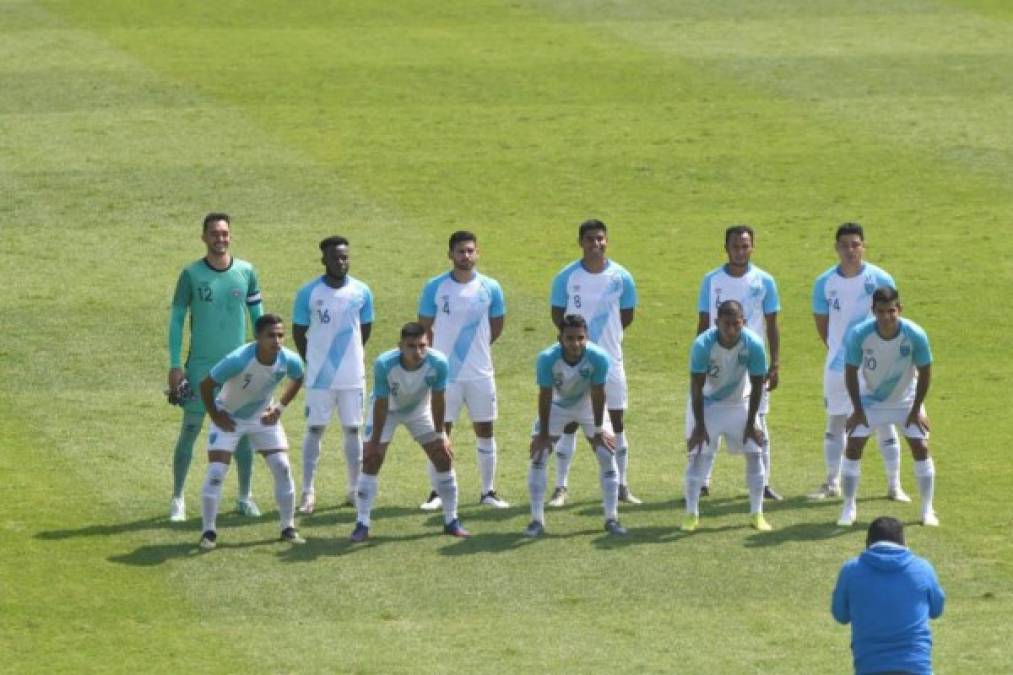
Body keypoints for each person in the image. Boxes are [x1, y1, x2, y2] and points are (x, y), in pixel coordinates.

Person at [167, 212, 263, 522]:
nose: (220, 239)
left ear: (230, 236)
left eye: (224, 233)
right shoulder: (191, 275)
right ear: (204, 237)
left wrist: (261, 360)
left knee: (244, 434)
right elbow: (177, 321)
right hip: (201, 368)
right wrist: (174, 365)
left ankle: (244, 497)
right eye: (213, 234)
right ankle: (178, 499)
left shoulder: (246, 272)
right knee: (191, 430)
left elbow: (258, 319)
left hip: (237, 368)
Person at [811, 222, 908, 502]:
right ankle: (832, 482)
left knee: (885, 421)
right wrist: (840, 351)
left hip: (877, 364)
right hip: (839, 364)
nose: (850, 250)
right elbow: (823, 325)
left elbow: (892, 319)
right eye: (844, 245)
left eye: (855, 244)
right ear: (836, 248)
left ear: (863, 246)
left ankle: (894, 485)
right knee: (836, 420)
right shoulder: (824, 283)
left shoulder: (880, 278)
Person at [547, 219, 639, 507]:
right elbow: (558, 315)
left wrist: (606, 340)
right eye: (590, 239)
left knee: (618, 421)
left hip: (611, 361)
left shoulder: (622, 276)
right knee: (571, 423)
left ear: (607, 241)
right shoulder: (566, 277)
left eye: (600, 238)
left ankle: (622, 485)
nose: (596, 244)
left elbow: (627, 315)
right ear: (581, 243)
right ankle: (561, 487)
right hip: (575, 362)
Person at [350, 322, 470, 541]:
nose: (418, 352)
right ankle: (362, 523)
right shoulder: (384, 364)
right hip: (387, 411)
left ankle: (451, 520)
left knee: (443, 457)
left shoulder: (438, 363)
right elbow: (381, 403)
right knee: (372, 460)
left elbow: (438, 398)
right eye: (411, 346)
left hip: (418, 409)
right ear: (400, 346)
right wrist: (375, 442)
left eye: (422, 346)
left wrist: (441, 434)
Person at [196, 314, 306, 550]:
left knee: (283, 467)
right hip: (229, 417)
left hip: (261, 417)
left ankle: (288, 527)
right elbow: (206, 385)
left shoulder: (288, 359)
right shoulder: (237, 360)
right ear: (257, 337)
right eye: (270, 335)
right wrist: (216, 415)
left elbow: (298, 377)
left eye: (280, 335)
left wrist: (280, 408)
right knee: (216, 472)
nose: (276, 341)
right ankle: (209, 531)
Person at [416, 230, 508, 511]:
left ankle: (488, 491)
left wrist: (476, 349)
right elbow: (424, 328)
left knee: (485, 430)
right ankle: (437, 491)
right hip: (445, 376)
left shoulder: (491, 287)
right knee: (439, 432)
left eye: (470, 251)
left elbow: (496, 325)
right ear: (450, 255)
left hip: (480, 372)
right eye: (460, 251)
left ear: (477, 253)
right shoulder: (435, 287)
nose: (465, 256)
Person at [838, 287, 938, 527]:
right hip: (870, 401)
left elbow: (925, 372)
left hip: (905, 400)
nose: (886, 317)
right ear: (873, 311)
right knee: (853, 447)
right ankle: (848, 506)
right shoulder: (860, 334)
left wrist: (915, 410)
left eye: (891, 311)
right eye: (881, 312)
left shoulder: (914, 334)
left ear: (899, 309)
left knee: (921, 447)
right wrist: (857, 409)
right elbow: (850, 371)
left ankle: (927, 509)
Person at [696, 225, 781, 500]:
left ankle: (763, 483)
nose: (740, 251)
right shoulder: (711, 280)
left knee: (759, 421)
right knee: (710, 416)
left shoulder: (764, 281)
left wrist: (775, 363)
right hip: (717, 359)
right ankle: (702, 481)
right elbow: (703, 321)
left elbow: (772, 324)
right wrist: (700, 359)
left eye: (745, 246)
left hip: (751, 361)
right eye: (735, 246)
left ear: (752, 247)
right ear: (726, 248)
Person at [292, 236, 374, 514]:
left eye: (345, 257)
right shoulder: (309, 293)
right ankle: (307, 492)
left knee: (353, 430)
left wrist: (349, 356)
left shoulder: (362, 291)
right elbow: (298, 332)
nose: (341, 262)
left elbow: (365, 329)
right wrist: (314, 360)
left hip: (352, 376)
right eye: (335, 257)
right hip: (320, 377)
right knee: (315, 430)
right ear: (324, 260)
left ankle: (354, 489)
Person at [525, 315, 625, 537]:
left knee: (606, 453)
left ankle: (612, 519)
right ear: (559, 338)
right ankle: (536, 520)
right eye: (570, 339)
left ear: (587, 337)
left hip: (587, 404)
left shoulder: (598, 357)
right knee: (539, 455)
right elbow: (545, 395)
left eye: (580, 338)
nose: (576, 344)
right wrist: (542, 434)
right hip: (557, 405)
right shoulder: (547, 359)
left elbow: (599, 393)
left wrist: (599, 431)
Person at [682, 300, 771, 532]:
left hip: (738, 404)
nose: (731, 330)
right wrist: (699, 426)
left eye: (736, 324)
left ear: (744, 322)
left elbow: (757, 385)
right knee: (697, 456)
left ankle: (757, 513)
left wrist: (752, 423)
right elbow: (696, 387)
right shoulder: (702, 345)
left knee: (755, 453)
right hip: (707, 405)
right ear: (716, 323)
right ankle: (691, 514)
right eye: (726, 324)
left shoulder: (753, 344)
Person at [832, 516, 945, 674]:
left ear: (868, 543)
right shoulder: (923, 569)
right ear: (904, 542)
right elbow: (937, 610)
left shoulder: (851, 570)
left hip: (870, 667)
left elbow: (840, 615)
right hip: (917, 667)